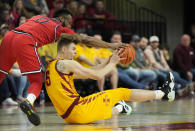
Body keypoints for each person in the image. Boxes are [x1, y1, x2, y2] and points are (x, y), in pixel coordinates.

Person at [0, 8, 123, 126]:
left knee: (1, 74)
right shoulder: (59, 29)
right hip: (25, 40)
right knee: (36, 81)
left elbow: (24, 24)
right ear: (62, 18)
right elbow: (86, 39)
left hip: (9, 36)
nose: (69, 26)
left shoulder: (38, 17)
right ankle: (28, 102)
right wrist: (110, 45)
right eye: (69, 23)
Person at [45, 34, 175, 124]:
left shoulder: (52, 67)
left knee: (100, 108)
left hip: (69, 117)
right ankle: (163, 93)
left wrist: (108, 60)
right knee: (121, 92)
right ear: (63, 49)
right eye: (73, 49)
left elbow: (93, 70)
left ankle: (120, 108)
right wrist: (113, 63)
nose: (75, 52)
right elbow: (98, 76)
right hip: (79, 109)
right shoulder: (66, 63)